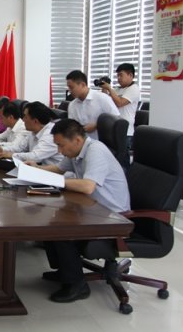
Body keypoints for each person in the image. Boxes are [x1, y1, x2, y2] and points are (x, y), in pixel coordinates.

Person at [28, 119, 130, 303]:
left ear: (77, 140)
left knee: (62, 229)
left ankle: (77, 284)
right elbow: (59, 168)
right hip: (93, 208)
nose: (59, 151)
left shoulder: (96, 151)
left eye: (61, 145)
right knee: (49, 219)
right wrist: (37, 169)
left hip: (113, 216)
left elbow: (88, 186)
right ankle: (65, 271)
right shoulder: (77, 150)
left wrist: (53, 181)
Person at [0, 101, 63, 165]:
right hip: (38, 169)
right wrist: (2, 149)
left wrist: (12, 155)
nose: (23, 120)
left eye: (25, 117)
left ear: (35, 121)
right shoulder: (33, 131)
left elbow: (35, 157)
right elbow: (20, 147)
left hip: (53, 174)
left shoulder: (50, 134)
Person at [99, 63, 141, 153]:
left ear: (130, 75)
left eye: (121, 75)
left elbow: (120, 103)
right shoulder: (118, 89)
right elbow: (105, 102)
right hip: (113, 128)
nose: (118, 78)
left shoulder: (134, 89)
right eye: (117, 76)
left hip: (126, 131)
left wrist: (109, 89)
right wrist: (104, 89)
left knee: (122, 158)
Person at [66, 70, 119, 140]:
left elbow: (116, 119)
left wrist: (97, 125)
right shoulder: (72, 105)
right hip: (81, 143)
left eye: (71, 87)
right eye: (68, 87)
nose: (69, 90)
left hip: (101, 142)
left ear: (82, 85)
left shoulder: (102, 98)